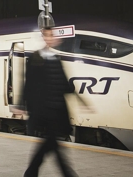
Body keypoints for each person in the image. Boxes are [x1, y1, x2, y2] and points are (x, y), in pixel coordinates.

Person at [22, 27, 77, 177]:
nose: (52, 38)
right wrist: (25, 106)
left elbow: (63, 84)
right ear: (44, 38)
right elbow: (29, 84)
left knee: (51, 145)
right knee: (52, 145)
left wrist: (71, 88)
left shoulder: (56, 58)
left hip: (57, 111)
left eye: (53, 36)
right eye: (48, 36)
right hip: (43, 110)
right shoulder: (36, 58)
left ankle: (30, 174)